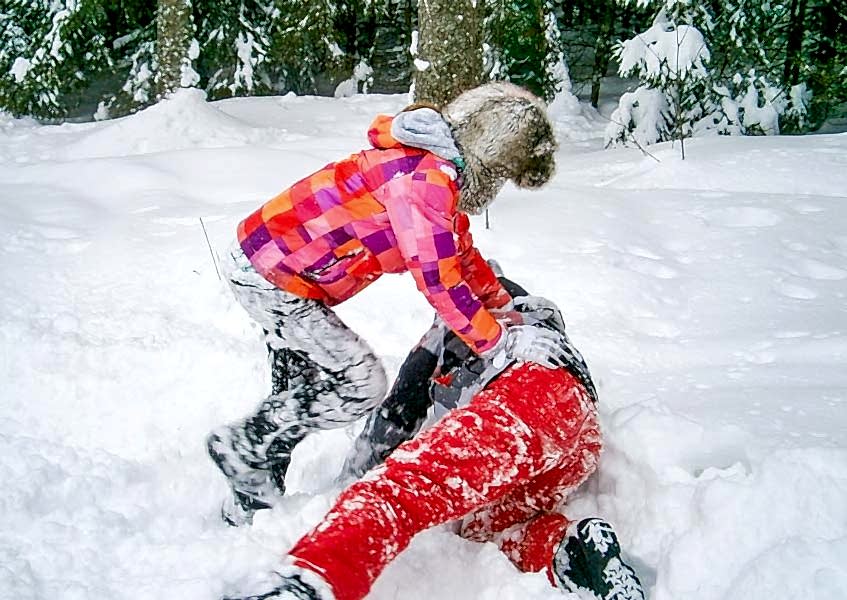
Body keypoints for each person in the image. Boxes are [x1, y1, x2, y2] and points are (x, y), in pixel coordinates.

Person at [207, 82, 563, 526]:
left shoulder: (434, 167)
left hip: (269, 262)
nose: (497, 188)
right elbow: (439, 279)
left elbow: (461, 255)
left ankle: (249, 504)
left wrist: (502, 305)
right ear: (488, 158)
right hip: (273, 277)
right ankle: (244, 446)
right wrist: (498, 344)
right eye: (502, 176)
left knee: (299, 390)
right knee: (360, 384)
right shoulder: (425, 181)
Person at [222, 277, 646, 600]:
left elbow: (399, 409)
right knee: (484, 532)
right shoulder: (543, 326)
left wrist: (352, 482)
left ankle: (306, 584)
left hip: (526, 397)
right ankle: (568, 549)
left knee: (401, 493)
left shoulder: (463, 323)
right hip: (579, 432)